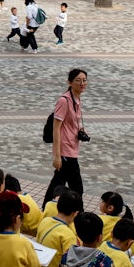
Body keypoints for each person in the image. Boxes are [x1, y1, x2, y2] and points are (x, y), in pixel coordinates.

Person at [45, 68, 88, 204]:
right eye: (78, 80)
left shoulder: (77, 99)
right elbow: (56, 129)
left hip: (72, 148)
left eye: (84, 80)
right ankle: (77, 214)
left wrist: (80, 129)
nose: (82, 83)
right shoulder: (64, 101)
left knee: (57, 183)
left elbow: (72, 122)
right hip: (65, 151)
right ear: (70, 82)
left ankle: (46, 208)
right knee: (77, 188)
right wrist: (57, 156)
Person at [35, 190, 80, 267]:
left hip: (40, 263)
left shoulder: (45, 220)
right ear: (75, 213)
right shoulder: (68, 234)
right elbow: (71, 262)